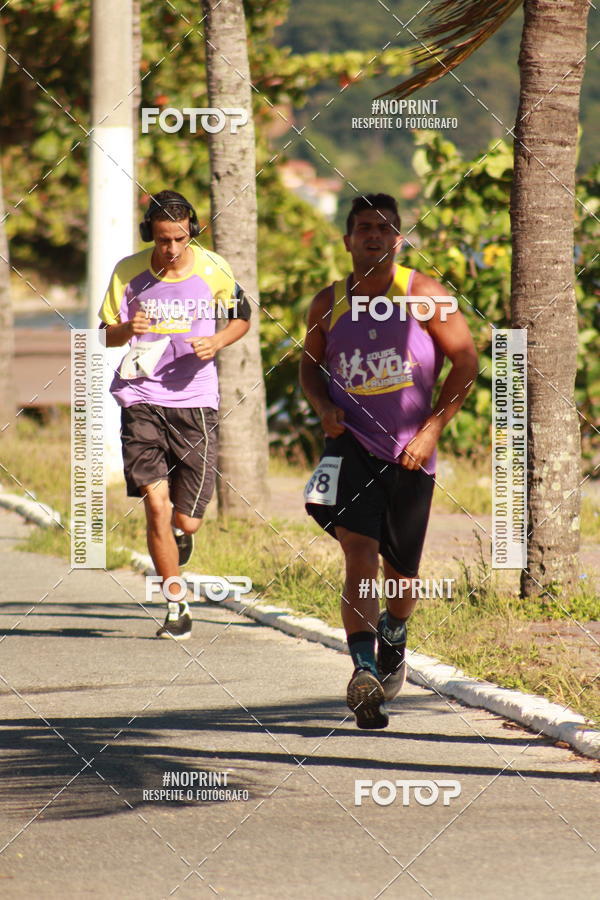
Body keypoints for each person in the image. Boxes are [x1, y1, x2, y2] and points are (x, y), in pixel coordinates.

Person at [300, 193, 478, 728]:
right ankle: (362, 673)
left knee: (400, 579)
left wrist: (432, 429)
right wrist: (323, 405)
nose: (373, 236)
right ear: (347, 239)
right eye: (363, 228)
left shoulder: (423, 293)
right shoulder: (328, 301)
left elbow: (466, 361)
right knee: (358, 552)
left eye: (384, 228)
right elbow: (310, 366)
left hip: (408, 455)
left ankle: (394, 638)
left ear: (398, 239)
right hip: (350, 445)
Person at [99, 190, 250, 640]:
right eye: (163, 240)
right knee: (156, 507)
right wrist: (127, 329)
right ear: (150, 235)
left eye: (180, 239)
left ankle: (183, 536)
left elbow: (242, 318)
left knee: (186, 519)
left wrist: (217, 342)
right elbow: (103, 335)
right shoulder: (128, 272)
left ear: (192, 233)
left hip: (194, 402)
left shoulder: (214, 268)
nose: (170, 249)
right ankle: (176, 604)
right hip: (140, 396)